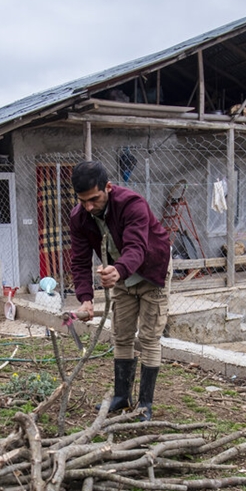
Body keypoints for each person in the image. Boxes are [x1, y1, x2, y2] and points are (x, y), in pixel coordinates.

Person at [68, 160, 171, 421]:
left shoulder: (132, 204)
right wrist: (86, 299)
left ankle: (145, 404)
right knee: (121, 336)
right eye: (83, 201)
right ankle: (121, 397)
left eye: (94, 199)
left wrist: (119, 270)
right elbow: (79, 261)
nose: (89, 207)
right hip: (121, 278)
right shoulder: (79, 217)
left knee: (148, 338)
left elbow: (137, 246)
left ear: (109, 187)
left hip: (151, 272)